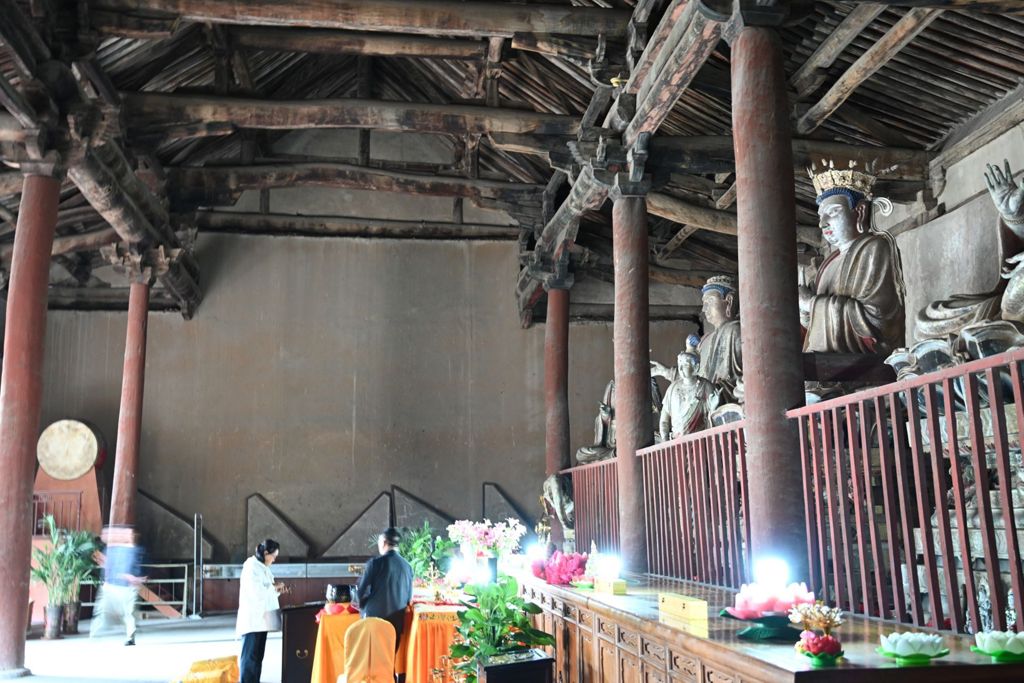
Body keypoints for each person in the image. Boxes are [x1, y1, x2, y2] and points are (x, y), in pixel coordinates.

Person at [799, 160, 905, 354]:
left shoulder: (874, 248)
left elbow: (877, 317)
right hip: (824, 364)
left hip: (866, 362)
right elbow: (813, 327)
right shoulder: (827, 264)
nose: (823, 223)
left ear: (860, 212)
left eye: (833, 212)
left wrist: (811, 304)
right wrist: (804, 311)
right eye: (820, 215)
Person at [237, 539, 287, 683]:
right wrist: (274, 587)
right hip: (252, 621)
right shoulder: (251, 567)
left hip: (262, 620)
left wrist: (277, 589)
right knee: (250, 658)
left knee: (258, 657)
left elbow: (268, 590)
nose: (274, 559)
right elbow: (257, 592)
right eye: (273, 556)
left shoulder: (263, 567)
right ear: (265, 553)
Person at [356, 528, 413, 651]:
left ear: (383, 543)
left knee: (372, 657)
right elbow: (408, 598)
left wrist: (363, 607)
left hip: (374, 619)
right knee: (389, 658)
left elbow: (360, 591)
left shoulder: (375, 563)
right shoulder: (407, 566)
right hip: (396, 622)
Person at [89, 526, 146, 645]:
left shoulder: (135, 550)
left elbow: (138, 566)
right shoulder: (112, 549)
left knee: (128, 613)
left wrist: (136, 577)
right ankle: (94, 633)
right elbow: (110, 566)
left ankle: (130, 637)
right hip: (112, 585)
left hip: (128, 586)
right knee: (102, 610)